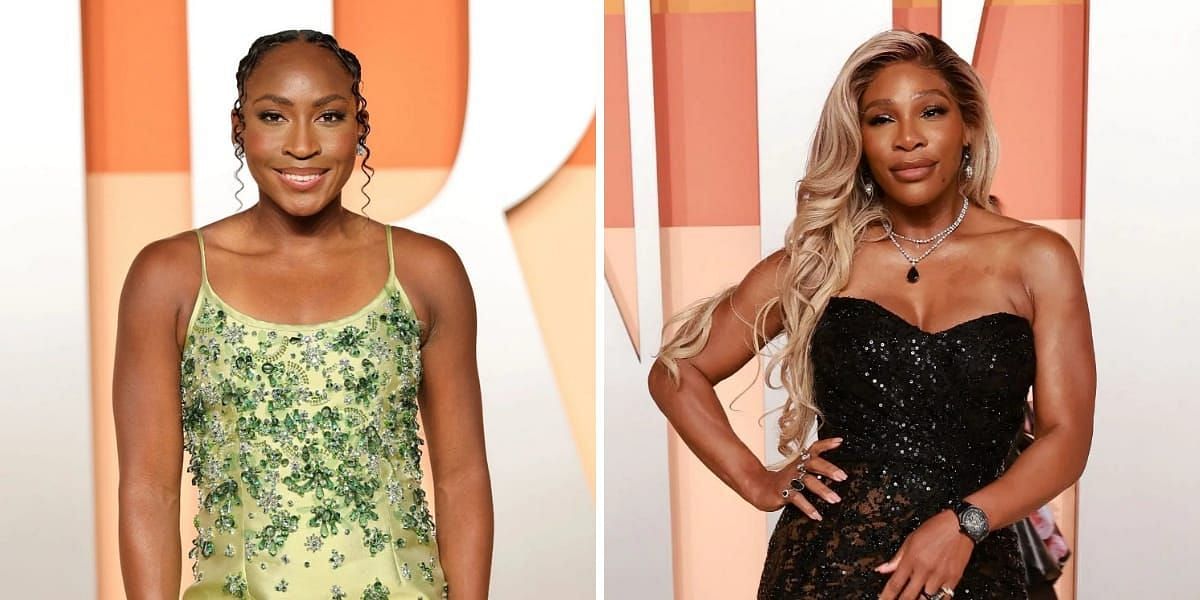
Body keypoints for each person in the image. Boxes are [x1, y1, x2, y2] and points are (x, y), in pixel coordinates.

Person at [648, 30, 1094, 600]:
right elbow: (676, 372)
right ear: (858, 139)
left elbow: (1067, 436)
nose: (908, 138)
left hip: (973, 569)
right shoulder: (822, 260)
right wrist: (756, 480)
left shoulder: (1037, 259)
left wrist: (966, 522)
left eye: (931, 112)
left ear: (969, 128)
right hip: (822, 570)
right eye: (882, 119)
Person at [113, 30, 493, 600]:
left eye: (329, 117)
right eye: (273, 116)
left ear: (359, 128)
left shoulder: (426, 271)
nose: (302, 146)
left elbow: (462, 478)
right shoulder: (169, 276)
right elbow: (148, 488)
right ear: (239, 127)